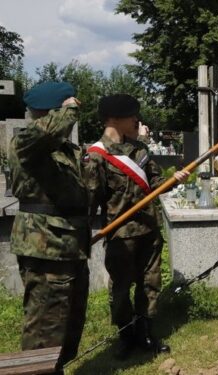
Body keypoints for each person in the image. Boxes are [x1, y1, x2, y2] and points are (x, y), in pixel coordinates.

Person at [84, 94, 188, 359]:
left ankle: (146, 332)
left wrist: (172, 180)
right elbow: (90, 201)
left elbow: (154, 184)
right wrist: (83, 235)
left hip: (149, 230)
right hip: (121, 236)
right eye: (132, 115)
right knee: (120, 289)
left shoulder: (140, 150)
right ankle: (126, 335)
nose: (136, 120)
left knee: (150, 284)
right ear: (115, 119)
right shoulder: (97, 156)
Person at [8, 82, 90, 371]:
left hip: (70, 247)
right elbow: (47, 130)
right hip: (45, 248)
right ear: (53, 112)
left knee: (69, 324)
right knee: (45, 329)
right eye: (66, 108)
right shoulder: (27, 141)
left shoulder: (65, 149)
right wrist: (68, 110)